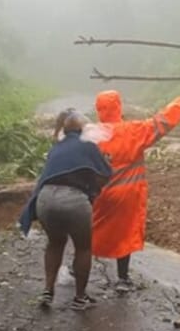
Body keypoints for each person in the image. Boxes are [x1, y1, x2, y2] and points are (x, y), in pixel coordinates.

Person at [92, 90, 180, 292]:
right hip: (128, 194)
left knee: (91, 231)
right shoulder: (133, 130)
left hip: (100, 195)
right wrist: (179, 103)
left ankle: (78, 270)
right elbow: (160, 124)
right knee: (124, 234)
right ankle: (122, 279)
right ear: (119, 107)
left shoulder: (91, 136)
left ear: (98, 109)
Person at [18, 109, 112, 310]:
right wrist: (94, 187)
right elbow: (105, 174)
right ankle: (79, 298)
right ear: (82, 129)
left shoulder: (57, 147)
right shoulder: (88, 145)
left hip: (45, 199)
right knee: (83, 247)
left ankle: (48, 291)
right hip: (73, 200)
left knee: (55, 243)